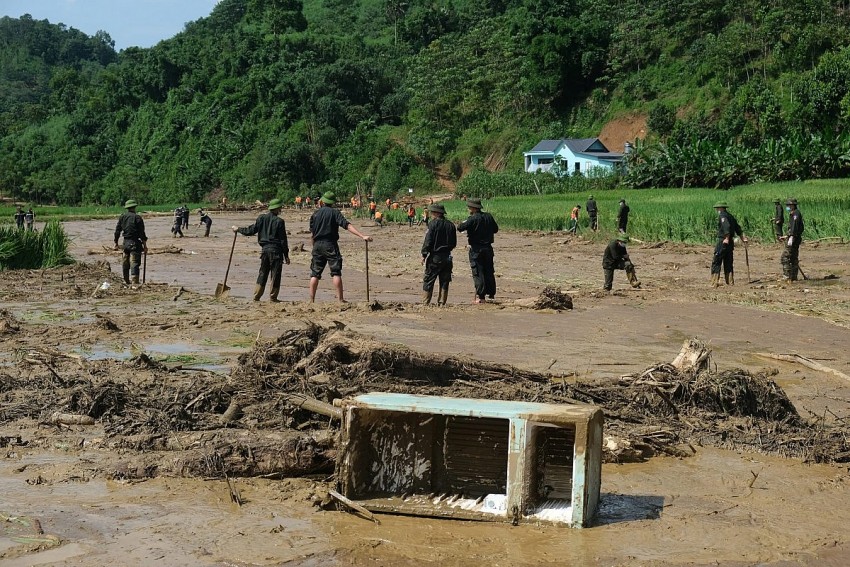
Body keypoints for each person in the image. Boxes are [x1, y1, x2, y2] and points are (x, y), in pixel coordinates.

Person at [308, 191, 372, 303]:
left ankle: (311, 300)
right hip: (330, 244)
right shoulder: (334, 213)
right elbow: (347, 225)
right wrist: (362, 236)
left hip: (317, 245)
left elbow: (312, 234)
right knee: (336, 272)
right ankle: (340, 299)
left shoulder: (315, 214)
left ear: (322, 201)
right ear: (332, 203)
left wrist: (314, 247)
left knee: (315, 273)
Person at [232, 198, 290, 303]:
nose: (280, 209)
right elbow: (283, 240)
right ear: (277, 209)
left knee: (263, 273)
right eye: (280, 208)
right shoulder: (280, 221)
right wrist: (286, 255)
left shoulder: (261, 218)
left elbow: (251, 230)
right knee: (275, 274)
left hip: (264, 251)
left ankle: (256, 296)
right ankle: (273, 297)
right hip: (276, 251)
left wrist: (238, 229)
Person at [457, 197, 499, 304]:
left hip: (476, 249)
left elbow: (460, 227)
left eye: (469, 207)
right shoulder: (488, 216)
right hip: (488, 248)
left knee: (478, 272)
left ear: (473, 208)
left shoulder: (472, 219)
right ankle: (491, 293)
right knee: (489, 271)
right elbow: (495, 229)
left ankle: (481, 297)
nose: (468, 209)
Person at [421, 203, 457, 305]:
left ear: (437, 213)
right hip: (447, 257)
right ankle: (442, 302)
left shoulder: (432, 224)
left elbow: (428, 241)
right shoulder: (451, 225)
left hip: (435, 257)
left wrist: (424, 254)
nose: (431, 214)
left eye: (432, 212)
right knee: (445, 281)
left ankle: (425, 302)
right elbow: (454, 243)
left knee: (429, 279)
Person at [710, 201, 746, 287]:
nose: (717, 210)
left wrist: (726, 238)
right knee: (728, 261)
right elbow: (738, 228)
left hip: (723, 241)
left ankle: (714, 282)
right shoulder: (731, 216)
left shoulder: (723, 216)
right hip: (730, 242)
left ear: (721, 208)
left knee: (717, 260)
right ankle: (730, 282)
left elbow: (727, 227)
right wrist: (743, 238)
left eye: (718, 208)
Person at [113, 199, 148, 286]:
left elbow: (117, 231)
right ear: (134, 207)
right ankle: (134, 283)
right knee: (134, 262)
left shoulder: (122, 217)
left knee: (125, 262)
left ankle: (126, 280)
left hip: (126, 243)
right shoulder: (137, 218)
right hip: (135, 243)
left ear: (127, 208)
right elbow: (141, 233)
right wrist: (145, 245)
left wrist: (116, 243)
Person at [781, 198, 804, 281]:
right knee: (793, 258)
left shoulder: (795, 214)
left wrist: (791, 236)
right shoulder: (793, 213)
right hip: (793, 237)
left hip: (794, 238)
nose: (787, 207)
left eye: (788, 205)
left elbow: (795, 227)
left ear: (792, 205)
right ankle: (793, 277)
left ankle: (787, 276)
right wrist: (787, 236)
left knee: (785, 257)